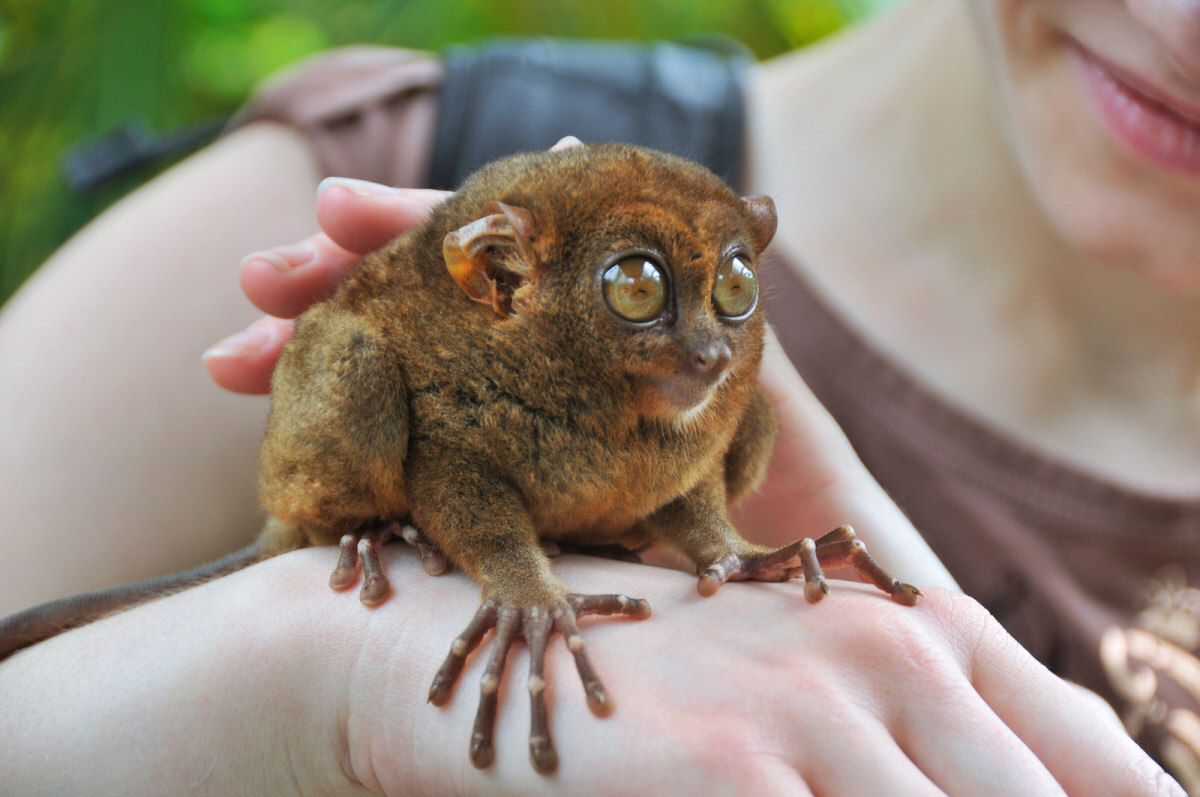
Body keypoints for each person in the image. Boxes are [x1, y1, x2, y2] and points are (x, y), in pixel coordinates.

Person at [0, 0, 1193, 793]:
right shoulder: (380, 176)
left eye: (731, 290)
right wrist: (305, 682)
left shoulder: (729, 396)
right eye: (640, 285)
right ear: (501, 270)